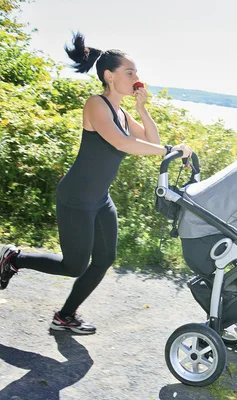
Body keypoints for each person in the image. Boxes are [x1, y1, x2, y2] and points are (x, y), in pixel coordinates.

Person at [0, 32, 192, 334]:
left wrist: (143, 109)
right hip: (76, 197)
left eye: (137, 73)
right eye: (130, 73)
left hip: (100, 199)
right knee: (74, 265)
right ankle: (14, 259)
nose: (136, 78)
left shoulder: (124, 113)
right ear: (109, 76)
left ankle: (65, 315)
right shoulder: (96, 105)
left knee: (104, 259)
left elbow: (151, 142)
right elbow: (124, 144)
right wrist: (170, 151)